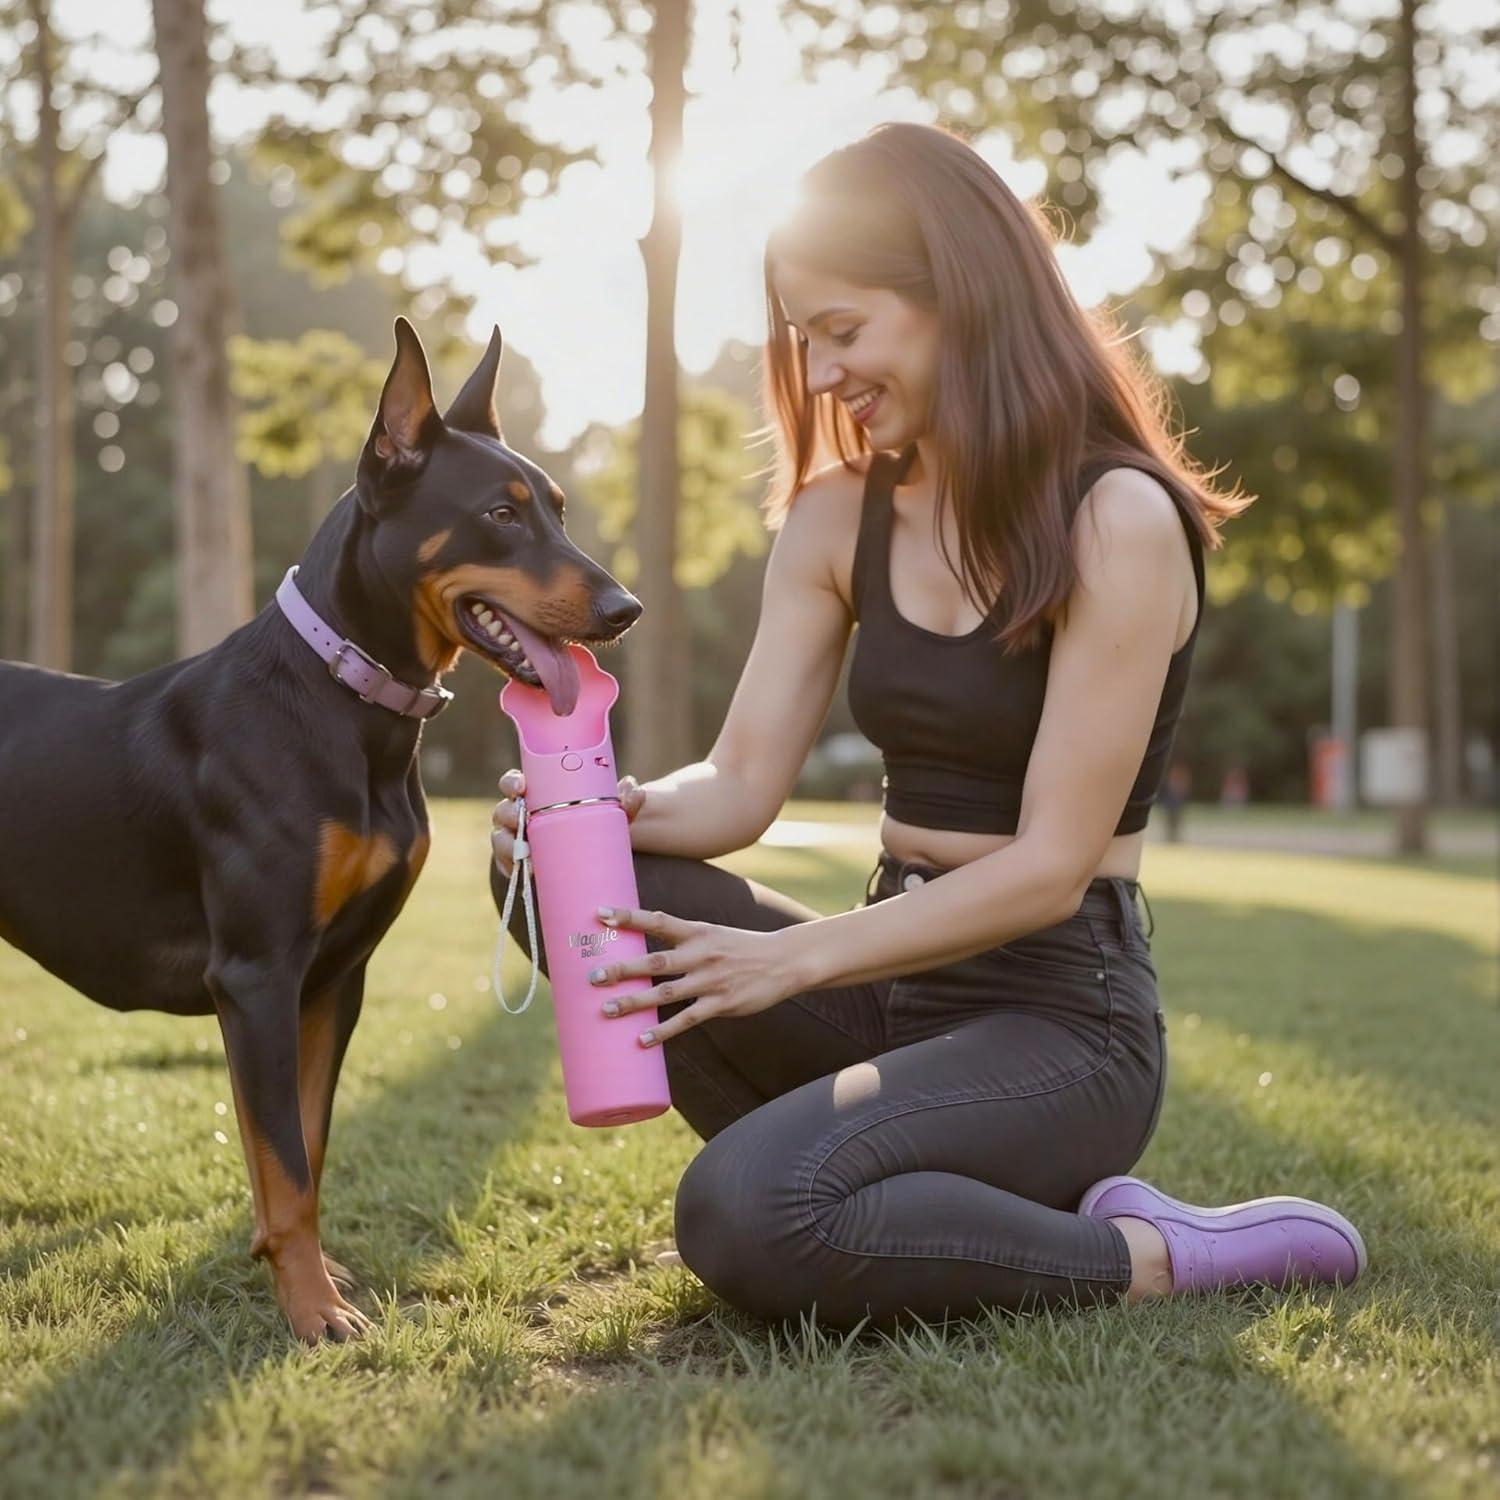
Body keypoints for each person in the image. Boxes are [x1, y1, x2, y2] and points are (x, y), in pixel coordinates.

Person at [490, 122, 1366, 1330]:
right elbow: (739, 784)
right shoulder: (836, 519)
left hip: (1059, 1016)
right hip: (891, 982)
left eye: (843, 332)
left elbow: (1052, 869)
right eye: (804, 342)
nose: (821, 373)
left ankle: (1146, 1253)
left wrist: (790, 957)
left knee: (741, 1214)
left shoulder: (1117, 519)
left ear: (959, 293)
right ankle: (875, 1181)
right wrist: (594, 813)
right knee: (565, 878)